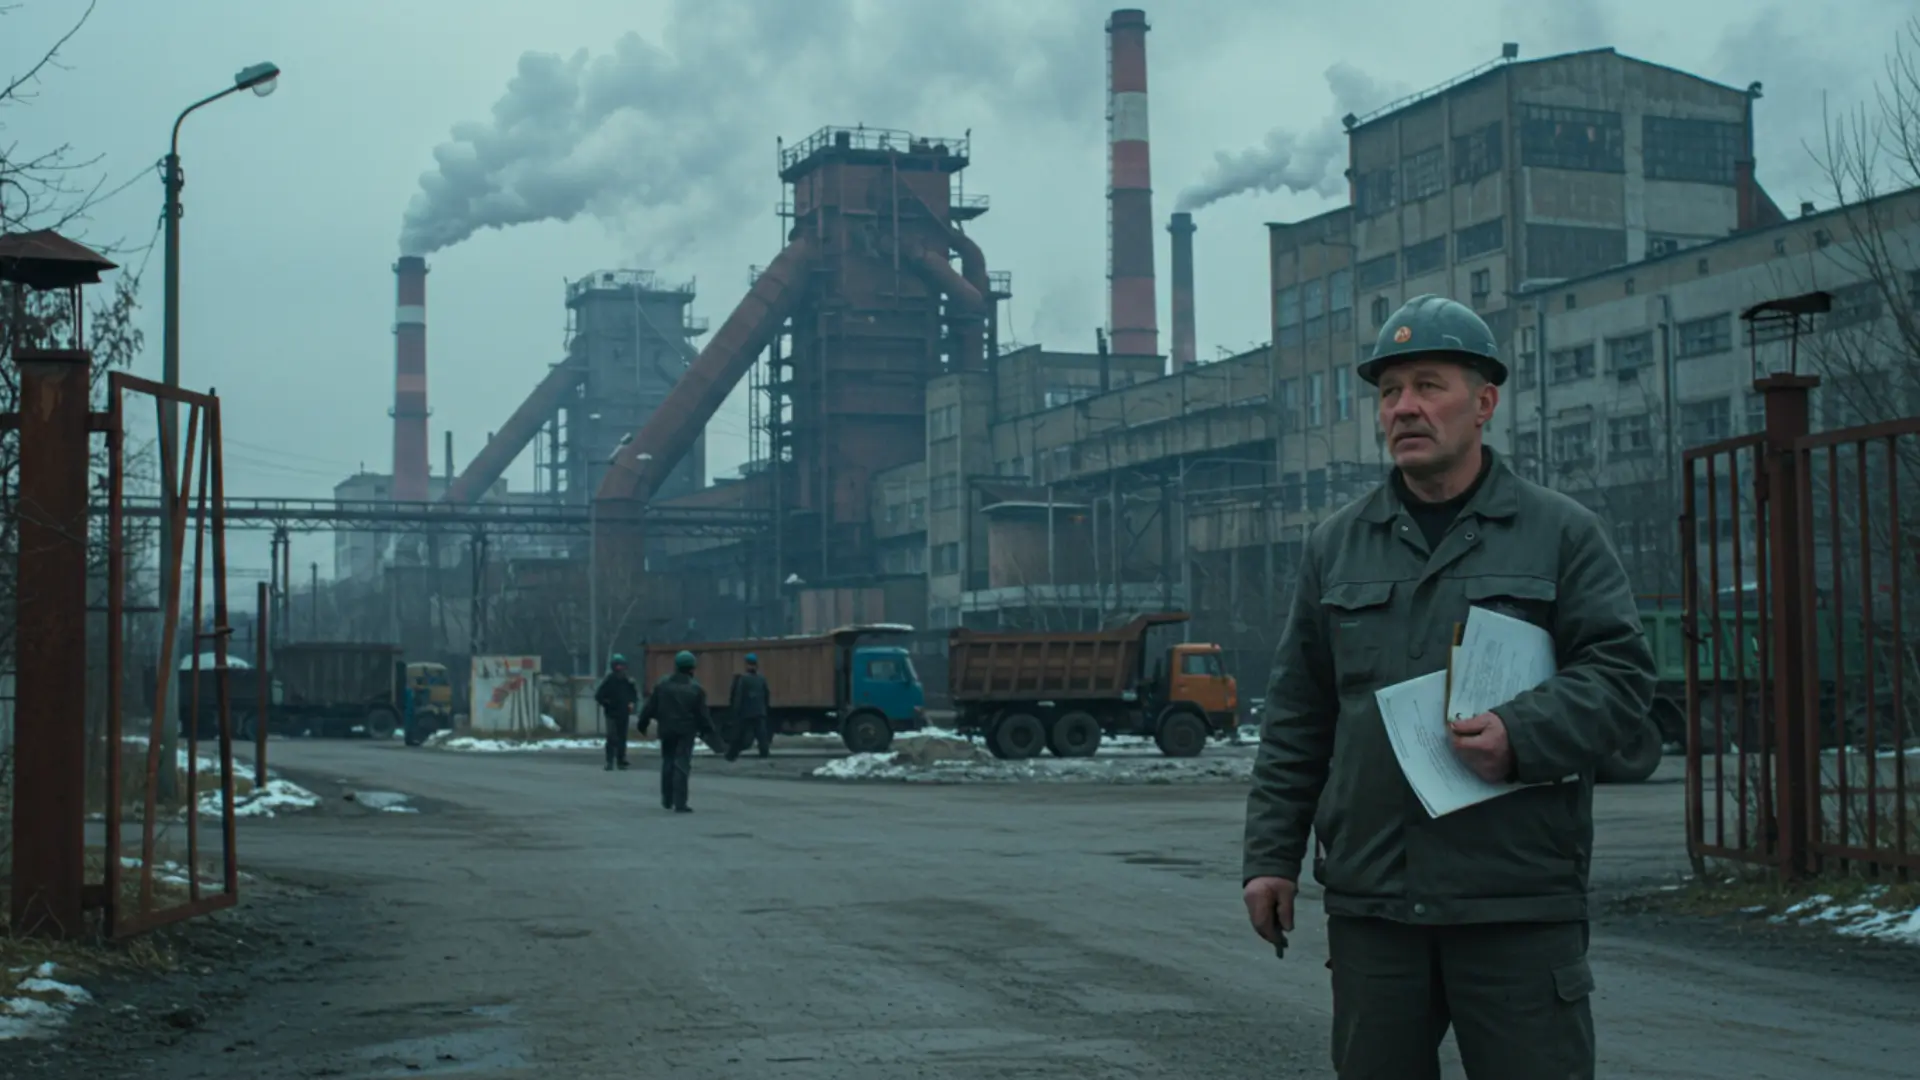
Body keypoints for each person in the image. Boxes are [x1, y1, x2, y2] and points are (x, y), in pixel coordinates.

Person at [1240, 294, 1657, 1080]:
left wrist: (1523, 735)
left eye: (1429, 385)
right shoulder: (1336, 546)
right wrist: (1270, 858)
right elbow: (1299, 716)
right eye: (1389, 392)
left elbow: (1622, 675)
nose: (1404, 408)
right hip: (1376, 905)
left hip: (1516, 902)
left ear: (1485, 402)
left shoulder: (1559, 533)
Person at [639, 650, 714, 813]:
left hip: (666, 730)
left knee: (668, 762)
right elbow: (702, 715)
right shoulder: (696, 689)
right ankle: (680, 802)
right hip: (686, 731)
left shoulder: (662, 686)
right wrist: (709, 732)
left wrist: (642, 724)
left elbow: (650, 708)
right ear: (692, 668)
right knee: (682, 764)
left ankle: (667, 798)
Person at [595, 653, 640, 772]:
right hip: (611, 714)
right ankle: (609, 761)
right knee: (612, 737)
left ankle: (621, 759)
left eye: (621, 666)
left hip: (623, 713)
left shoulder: (628, 681)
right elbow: (599, 696)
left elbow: (634, 695)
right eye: (617, 666)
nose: (619, 668)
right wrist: (607, 703)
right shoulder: (609, 680)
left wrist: (631, 703)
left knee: (622, 737)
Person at [724, 652, 773, 760]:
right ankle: (764, 753)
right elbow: (767, 695)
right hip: (759, 712)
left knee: (739, 734)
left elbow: (738, 697)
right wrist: (765, 708)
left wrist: (735, 711)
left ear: (746, 665)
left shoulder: (743, 679)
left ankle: (731, 755)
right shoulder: (761, 679)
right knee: (761, 735)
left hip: (746, 712)